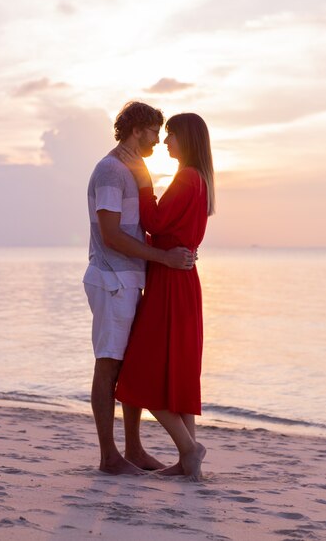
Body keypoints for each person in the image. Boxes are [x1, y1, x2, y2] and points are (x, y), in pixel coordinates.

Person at [83, 102, 196, 475]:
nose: (159, 139)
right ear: (137, 129)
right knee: (109, 364)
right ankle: (108, 457)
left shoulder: (133, 168)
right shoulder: (111, 171)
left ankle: (133, 449)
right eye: (153, 130)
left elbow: (146, 223)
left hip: (131, 279)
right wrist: (163, 259)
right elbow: (112, 235)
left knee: (129, 366)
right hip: (112, 279)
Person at [115, 112, 215, 480]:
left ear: (186, 139)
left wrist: (143, 181)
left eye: (171, 134)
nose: (166, 141)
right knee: (178, 372)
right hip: (181, 278)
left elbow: (155, 223)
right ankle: (188, 462)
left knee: (140, 373)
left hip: (171, 280)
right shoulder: (201, 179)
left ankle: (190, 449)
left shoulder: (187, 177)